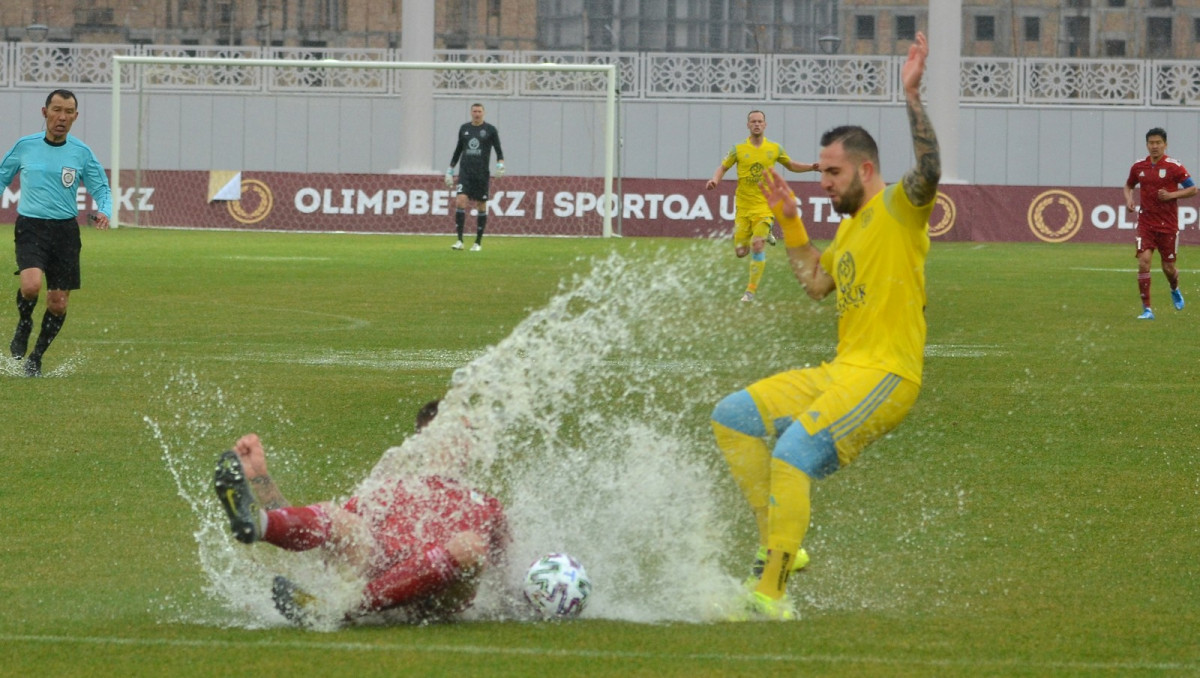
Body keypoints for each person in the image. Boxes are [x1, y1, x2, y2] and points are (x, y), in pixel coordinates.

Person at [710, 32, 940, 621]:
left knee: (792, 453)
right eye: (822, 175)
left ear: (866, 168)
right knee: (733, 416)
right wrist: (790, 220)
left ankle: (772, 592)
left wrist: (912, 95)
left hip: (888, 376)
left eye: (833, 172)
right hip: (843, 373)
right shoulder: (848, 229)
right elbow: (815, 281)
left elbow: (929, 168)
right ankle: (782, 547)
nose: (824, 182)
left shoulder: (899, 209)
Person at [213, 400, 510, 626]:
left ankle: (342, 609)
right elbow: (321, 537)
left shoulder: (486, 504)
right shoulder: (389, 485)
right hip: (372, 569)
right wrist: (262, 479)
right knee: (340, 517)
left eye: (469, 434)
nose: (465, 441)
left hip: (436, 597)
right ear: (424, 440)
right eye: (456, 433)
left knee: (470, 545)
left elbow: (503, 575)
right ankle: (259, 524)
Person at [1, 89, 112, 377]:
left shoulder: (81, 152)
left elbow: (101, 187)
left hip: (65, 232)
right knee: (31, 286)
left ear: (76, 116)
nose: (61, 117)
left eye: (68, 112)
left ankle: (35, 358)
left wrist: (105, 210)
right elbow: (2, 176)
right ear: (45, 112)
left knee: (58, 304)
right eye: (56, 110)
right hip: (31, 226)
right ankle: (24, 323)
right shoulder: (25, 146)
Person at [705, 110, 818, 302]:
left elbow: (790, 165)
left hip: (765, 206)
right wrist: (715, 180)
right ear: (748, 125)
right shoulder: (738, 149)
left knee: (757, 245)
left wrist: (811, 167)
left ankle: (750, 291)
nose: (757, 124)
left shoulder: (774, 148)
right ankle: (765, 233)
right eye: (753, 121)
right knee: (741, 252)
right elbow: (723, 167)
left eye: (760, 121)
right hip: (743, 207)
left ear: (765, 125)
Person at [1123, 127, 1196, 320]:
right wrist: (1129, 199)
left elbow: (1193, 189)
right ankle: (1147, 309)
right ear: (1147, 144)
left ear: (1165, 144)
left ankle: (1174, 288)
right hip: (1146, 223)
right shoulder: (1139, 166)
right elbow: (1129, 185)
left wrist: (1172, 195)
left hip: (1168, 225)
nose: (1154, 146)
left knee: (1168, 268)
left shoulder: (1174, 166)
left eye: (1158, 143)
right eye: (1151, 143)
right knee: (1144, 262)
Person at [445, 103, 504, 252]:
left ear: (483, 113)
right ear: (471, 113)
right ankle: (459, 240)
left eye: (479, 111)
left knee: (481, 206)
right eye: (474, 111)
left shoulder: (490, 130)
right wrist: (450, 169)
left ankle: (477, 242)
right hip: (465, 172)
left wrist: (500, 165)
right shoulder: (464, 128)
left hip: (481, 174)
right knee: (460, 201)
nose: (477, 114)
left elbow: (498, 150)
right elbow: (458, 149)